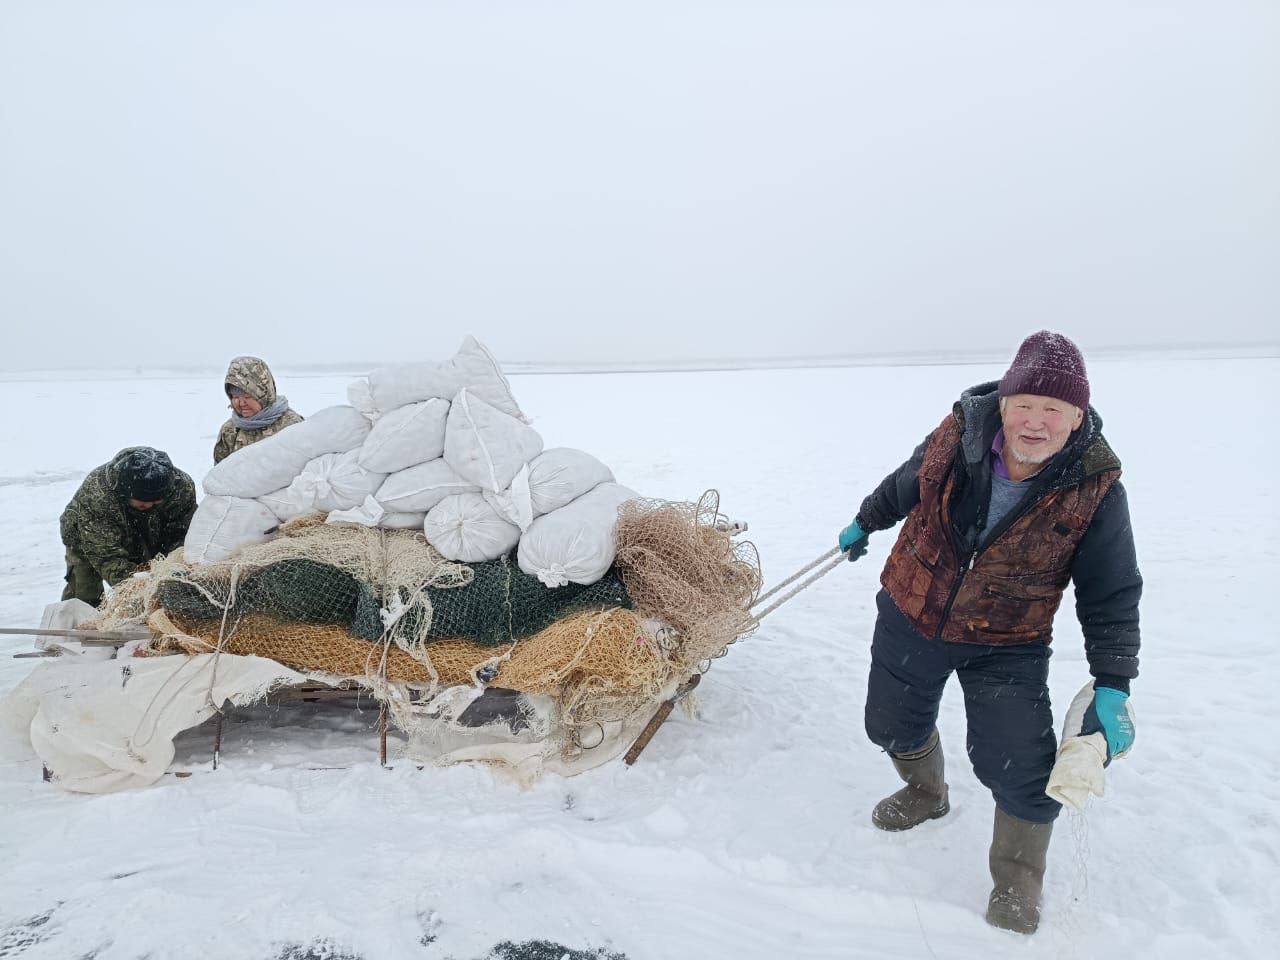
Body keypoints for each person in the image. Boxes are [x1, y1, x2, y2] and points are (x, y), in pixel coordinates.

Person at [838, 330, 1140, 934]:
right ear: (1002, 404)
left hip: (1007, 642)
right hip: (912, 610)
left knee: (1021, 768)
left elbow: (1110, 589)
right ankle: (928, 794)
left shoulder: (1095, 490)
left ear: (1078, 416)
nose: (1036, 421)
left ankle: (1018, 878)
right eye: (1024, 403)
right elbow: (908, 480)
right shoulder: (958, 435)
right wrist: (865, 519)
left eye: (1054, 409)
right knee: (890, 724)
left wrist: (1114, 681)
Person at [60, 447, 197, 606]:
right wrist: (140, 588)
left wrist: (169, 570)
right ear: (126, 492)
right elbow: (108, 558)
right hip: (89, 538)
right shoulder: (97, 497)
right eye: (143, 501)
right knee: (84, 594)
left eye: (156, 501)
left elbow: (183, 534)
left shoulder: (181, 488)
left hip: (155, 531)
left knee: (169, 583)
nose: (149, 505)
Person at [212, 356, 303, 463]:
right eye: (235, 397)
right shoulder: (229, 431)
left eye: (247, 397)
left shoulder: (293, 426)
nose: (241, 403)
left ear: (263, 394)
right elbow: (220, 474)